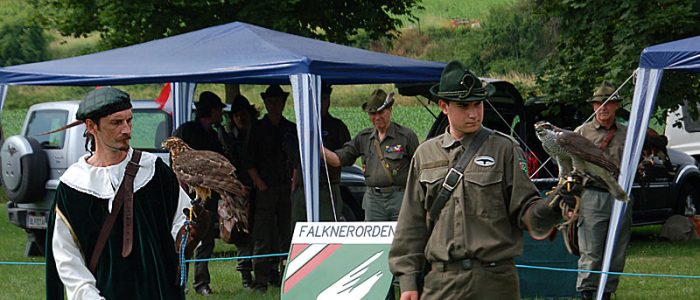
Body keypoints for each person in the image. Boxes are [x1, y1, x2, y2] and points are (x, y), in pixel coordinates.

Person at [388, 61, 564, 300]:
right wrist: (408, 279)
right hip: (442, 281)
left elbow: (526, 208)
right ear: (444, 106)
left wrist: (552, 207)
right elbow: (412, 222)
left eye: (478, 104)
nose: (473, 113)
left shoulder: (505, 149)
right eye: (463, 106)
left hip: (495, 281)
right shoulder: (425, 155)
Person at [45, 87, 194, 299]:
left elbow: (182, 221)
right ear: (91, 126)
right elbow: (67, 257)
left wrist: (188, 232)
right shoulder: (73, 187)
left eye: (129, 120)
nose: (126, 130)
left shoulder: (153, 170)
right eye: (116, 122)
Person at [323, 88, 419, 222]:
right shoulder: (363, 138)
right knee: (375, 242)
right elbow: (338, 160)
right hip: (374, 201)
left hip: (400, 199)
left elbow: (420, 170)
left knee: (401, 239)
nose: (377, 117)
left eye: (381, 112)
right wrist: (317, 147)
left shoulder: (406, 136)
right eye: (373, 113)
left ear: (390, 110)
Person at [574, 81, 632, 300]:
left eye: (608, 103)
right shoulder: (581, 132)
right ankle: (587, 294)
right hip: (593, 196)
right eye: (599, 103)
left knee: (617, 251)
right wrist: (571, 201)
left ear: (617, 105)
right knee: (591, 251)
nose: (603, 108)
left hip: (621, 196)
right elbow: (571, 167)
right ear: (593, 107)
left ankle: (607, 293)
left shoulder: (628, 133)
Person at [245, 84, 297, 292]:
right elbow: (248, 161)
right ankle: (260, 281)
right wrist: (261, 185)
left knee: (286, 234)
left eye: (278, 101)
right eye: (271, 101)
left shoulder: (290, 127)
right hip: (265, 189)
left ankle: (283, 276)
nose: (275, 105)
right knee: (263, 235)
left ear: (284, 103)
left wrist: (294, 180)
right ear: (266, 103)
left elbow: (297, 159)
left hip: (286, 188)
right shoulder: (257, 128)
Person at [173, 91, 226, 296]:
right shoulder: (186, 131)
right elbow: (175, 161)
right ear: (212, 111)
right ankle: (180, 281)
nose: (221, 114)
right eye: (219, 110)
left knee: (206, 239)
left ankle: (201, 283)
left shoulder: (214, 135)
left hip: (208, 196)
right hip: (185, 195)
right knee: (183, 239)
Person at [291, 83, 351, 222]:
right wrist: (294, 187)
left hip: (326, 187)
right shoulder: (303, 126)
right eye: (318, 98)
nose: (321, 102)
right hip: (303, 187)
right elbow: (296, 159)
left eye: (324, 98)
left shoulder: (337, 126)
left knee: (327, 230)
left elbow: (347, 157)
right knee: (299, 230)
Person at [222, 94, 259, 288]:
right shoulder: (230, 139)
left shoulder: (257, 134)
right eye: (236, 115)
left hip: (259, 190)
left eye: (243, 114)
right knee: (242, 236)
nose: (240, 118)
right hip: (237, 194)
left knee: (261, 233)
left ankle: (266, 273)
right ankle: (246, 277)